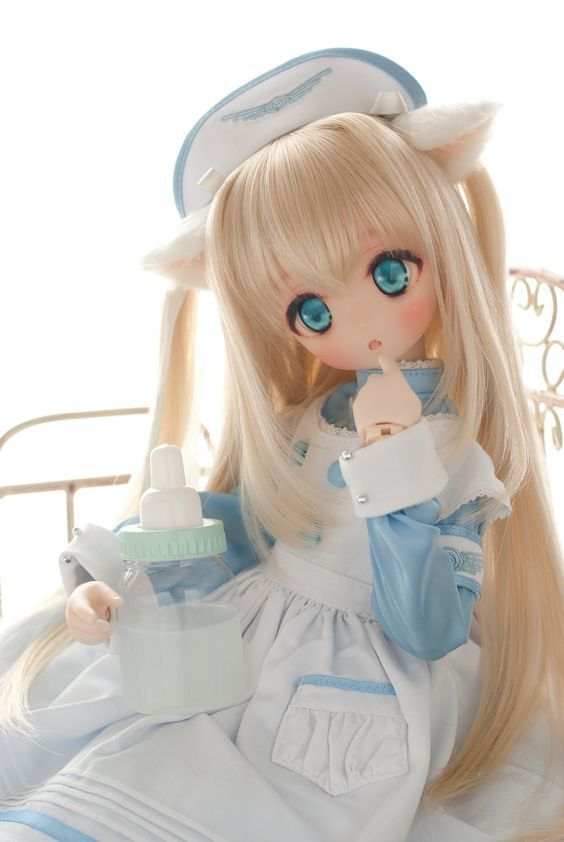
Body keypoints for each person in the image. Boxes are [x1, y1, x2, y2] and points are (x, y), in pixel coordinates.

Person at [0, 48, 562, 842]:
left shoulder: (452, 452)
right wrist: (119, 571)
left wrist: (394, 466)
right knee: (119, 751)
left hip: (360, 679)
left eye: (390, 273)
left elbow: (429, 627)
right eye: (312, 311)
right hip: (255, 632)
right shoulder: (312, 420)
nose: (357, 320)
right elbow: (249, 526)